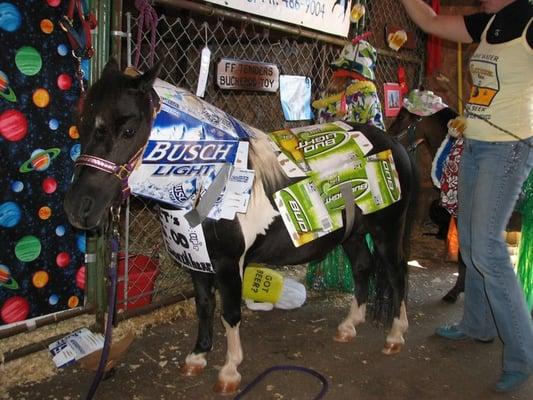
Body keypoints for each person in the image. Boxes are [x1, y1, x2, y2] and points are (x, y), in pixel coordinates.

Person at [400, 0, 533, 393]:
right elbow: (428, 18)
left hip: (508, 148)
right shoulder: (487, 23)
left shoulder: (529, 21)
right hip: (474, 143)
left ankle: (522, 355)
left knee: (489, 249)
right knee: (472, 242)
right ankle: (477, 324)